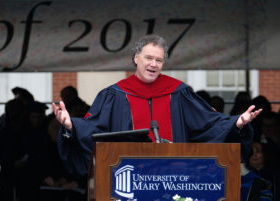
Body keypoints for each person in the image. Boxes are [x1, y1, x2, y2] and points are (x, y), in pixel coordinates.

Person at [53, 35, 262, 179]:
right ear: (136, 58)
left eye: (159, 60)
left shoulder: (179, 93)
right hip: (129, 178)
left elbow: (207, 123)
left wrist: (236, 122)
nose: (154, 64)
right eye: (149, 58)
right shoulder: (114, 95)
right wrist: (72, 126)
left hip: (176, 177)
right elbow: (94, 129)